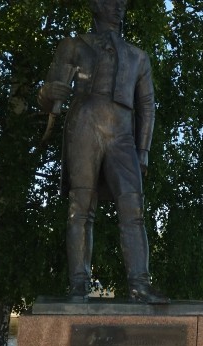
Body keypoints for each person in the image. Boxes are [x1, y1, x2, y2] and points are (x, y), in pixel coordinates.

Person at [38, 0, 168, 303]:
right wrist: (46, 94)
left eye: (123, 3)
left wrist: (143, 150)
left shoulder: (138, 57)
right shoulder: (72, 46)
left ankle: (139, 284)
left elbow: (147, 106)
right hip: (84, 126)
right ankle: (78, 285)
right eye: (112, 1)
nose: (119, 7)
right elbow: (48, 94)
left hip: (122, 134)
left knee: (133, 208)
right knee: (80, 208)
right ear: (95, 5)